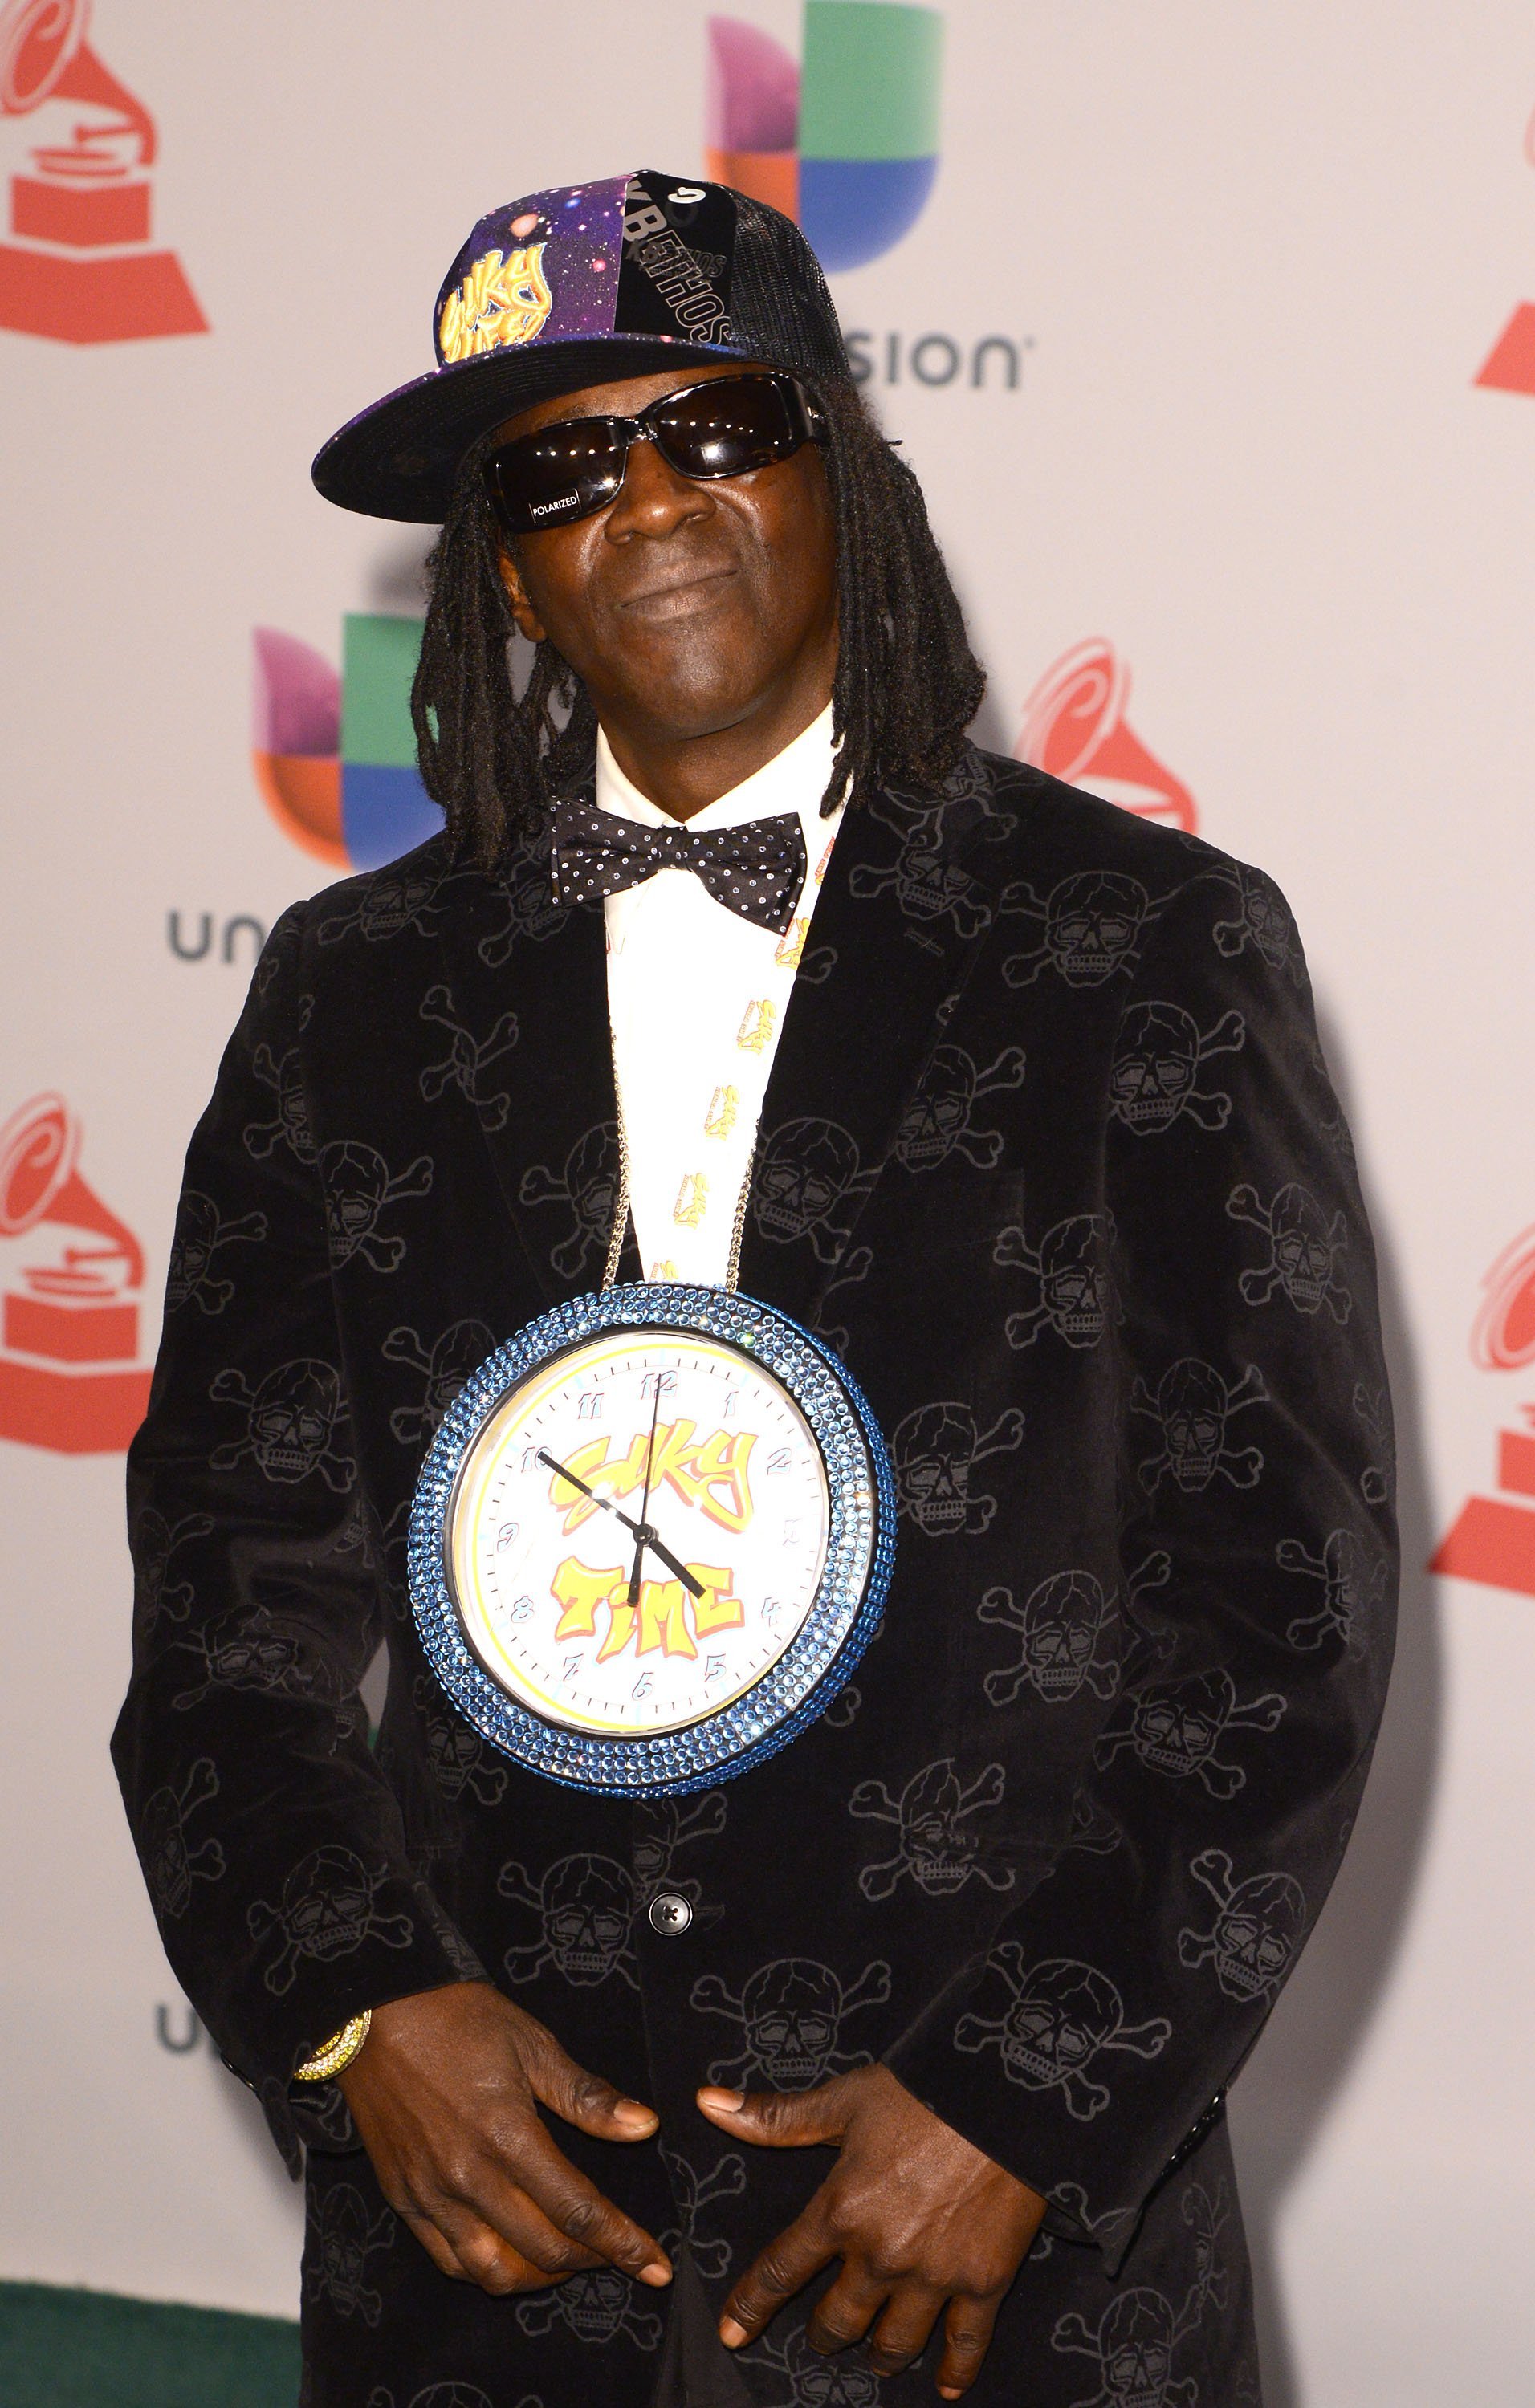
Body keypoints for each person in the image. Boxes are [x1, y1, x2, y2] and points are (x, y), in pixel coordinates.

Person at [114, 171, 1397, 2407]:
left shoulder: (1151, 951)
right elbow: (230, 1592)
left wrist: (1026, 2097)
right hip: (495, 2263)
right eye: (563, 467)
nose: (653, 505)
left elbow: (1277, 1600)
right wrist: (350, 2012)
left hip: (995, 2264)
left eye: (717, 429)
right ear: (502, 564)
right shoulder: (343, 996)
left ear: (844, 477)